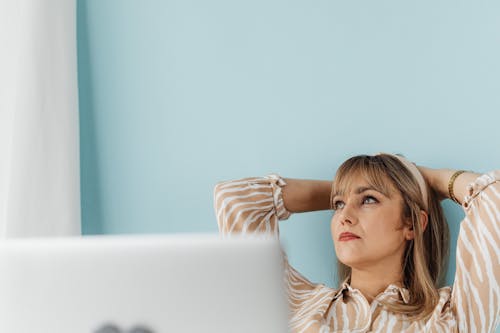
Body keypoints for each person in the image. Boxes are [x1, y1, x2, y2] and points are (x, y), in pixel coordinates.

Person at [213, 153, 499, 332]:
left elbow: (494, 197)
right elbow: (235, 200)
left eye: (369, 200)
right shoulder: (295, 302)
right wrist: (350, 187)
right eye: (338, 204)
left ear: (412, 223)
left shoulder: (451, 317)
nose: (344, 217)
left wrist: (427, 181)